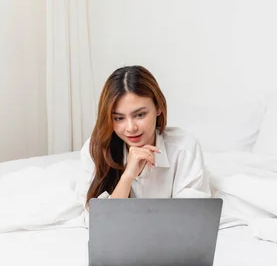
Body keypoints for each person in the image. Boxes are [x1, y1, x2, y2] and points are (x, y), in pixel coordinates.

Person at [77, 65, 211, 210]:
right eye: (118, 118)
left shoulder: (184, 147)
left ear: (158, 107)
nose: (131, 128)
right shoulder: (96, 149)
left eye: (140, 115)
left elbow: (192, 215)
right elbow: (98, 223)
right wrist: (127, 177)